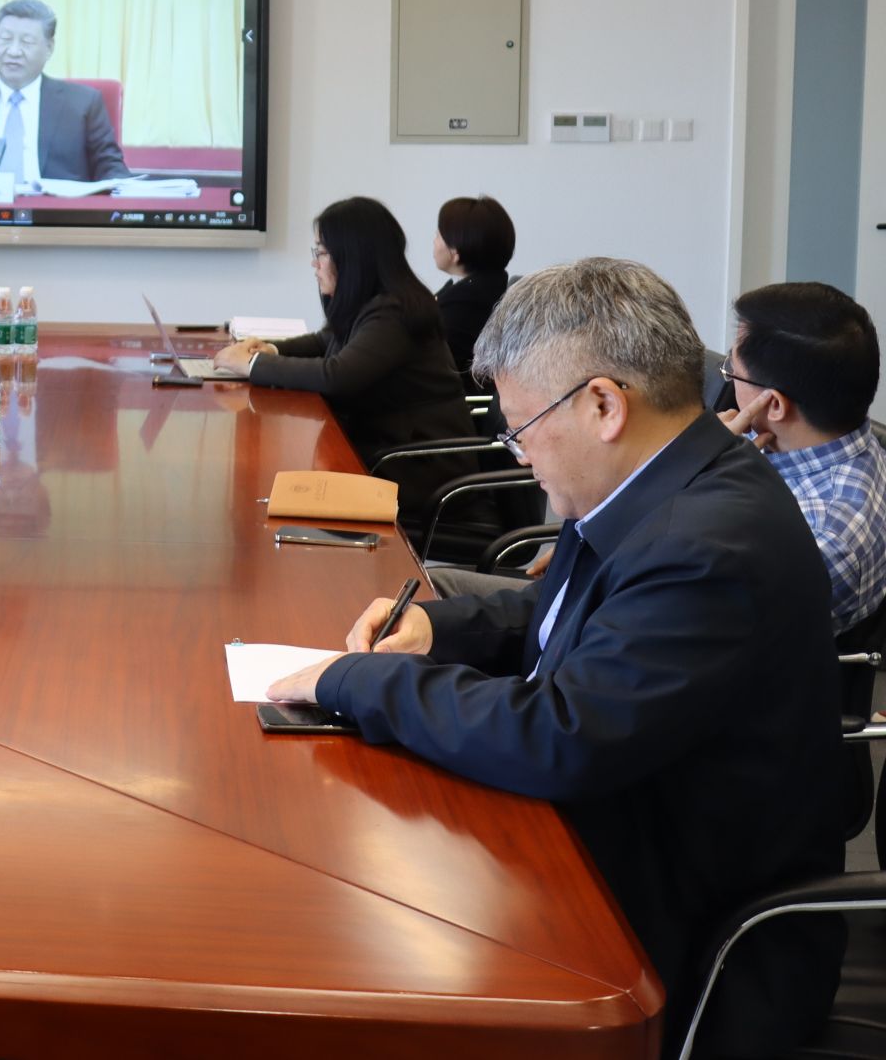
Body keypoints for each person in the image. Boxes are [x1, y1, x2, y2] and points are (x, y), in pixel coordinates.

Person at [265, 258, 844, 1059]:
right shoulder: (667, 478)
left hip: (683, 934)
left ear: (604, 405)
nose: (518, 455)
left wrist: (361, 682)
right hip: (618, 843)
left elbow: (561, 736)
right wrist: (439, 628)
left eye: (521, 428)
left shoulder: (709, 543)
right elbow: (574, 616)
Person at [223, 197, 482, 528]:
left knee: (272, 499)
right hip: (384, 452)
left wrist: (252, 365)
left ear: (351, 256)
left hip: (415, 470)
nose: (314, 264)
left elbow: (337, 376)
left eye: (321, 253)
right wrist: (269, 349)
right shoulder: (373, 302)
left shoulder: (394, 311)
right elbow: (324, 342)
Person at [722, 281, 886, 636]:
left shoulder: (824, 541)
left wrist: (696, 474)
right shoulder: (832, 432)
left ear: (773, 405)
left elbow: (696, 621)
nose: (728, 380)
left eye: (731, 371)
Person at [0, 0, 127, 187]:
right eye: (5, 39)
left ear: (49, 48)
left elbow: (111, 169)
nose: (13, 51)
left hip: (57, 211)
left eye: (27, 42)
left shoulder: (83, 103)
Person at [431, 195, 515, 388]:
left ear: (455, 251)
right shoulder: (483, 287)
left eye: (439, 235)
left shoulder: (465, 303)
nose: (434, 241)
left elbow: (437, 367)